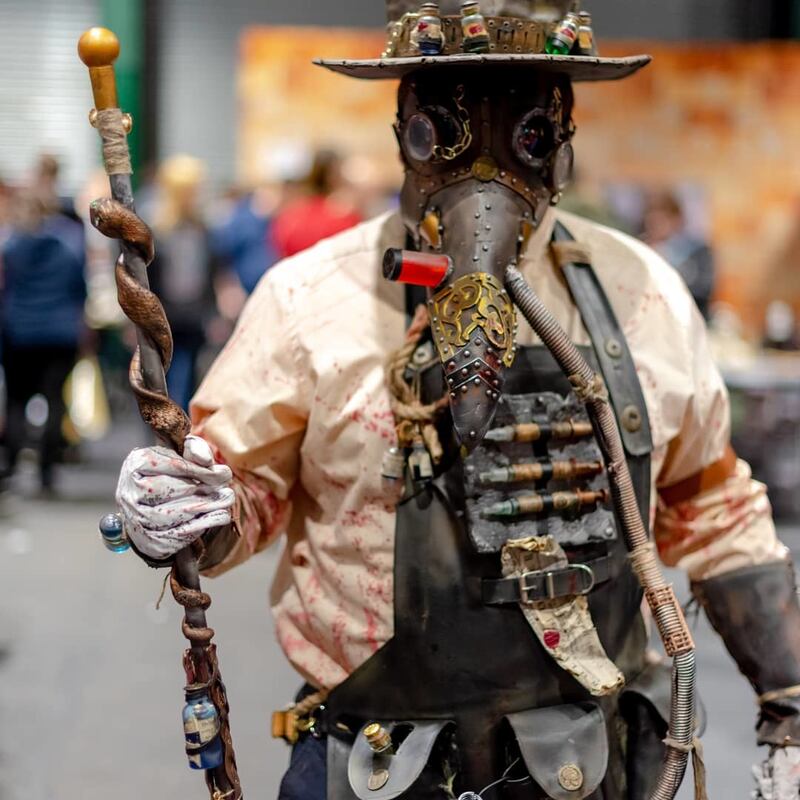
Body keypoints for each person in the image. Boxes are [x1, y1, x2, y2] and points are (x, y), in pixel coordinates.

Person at [112, 3, 800, 799]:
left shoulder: (641, 294)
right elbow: (247, 489)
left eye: (527, 133)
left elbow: (712, 505)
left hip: (596, 760)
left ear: (560, 143)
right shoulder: (309, 299)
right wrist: (191, 504)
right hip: (371, 760)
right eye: (444, 129)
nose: (486, 171)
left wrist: (787, 704)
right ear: (406, 129)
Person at [0, 189, 87, 492]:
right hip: (59, 332)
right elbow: (80, 287)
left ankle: (10, 464)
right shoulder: (68, 246)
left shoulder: (11, 248)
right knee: (54, 400)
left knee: (16, 400)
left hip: (19, 332)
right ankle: (47, 470)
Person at [146, 155, 222, 411]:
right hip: (161, 315)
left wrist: (214, 312)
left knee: (188, 379)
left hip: (193, 314)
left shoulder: (203, 227)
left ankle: (181, 435)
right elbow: (144, 277)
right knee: (159, 382)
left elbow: (211, 272)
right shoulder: (154, 228)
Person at [642, 190, 716, 319]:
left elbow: (702, 290)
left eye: (662, 221)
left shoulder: (698, 251)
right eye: (652, 222)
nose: (656, 227)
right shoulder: (643, 248)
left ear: (677, 220)